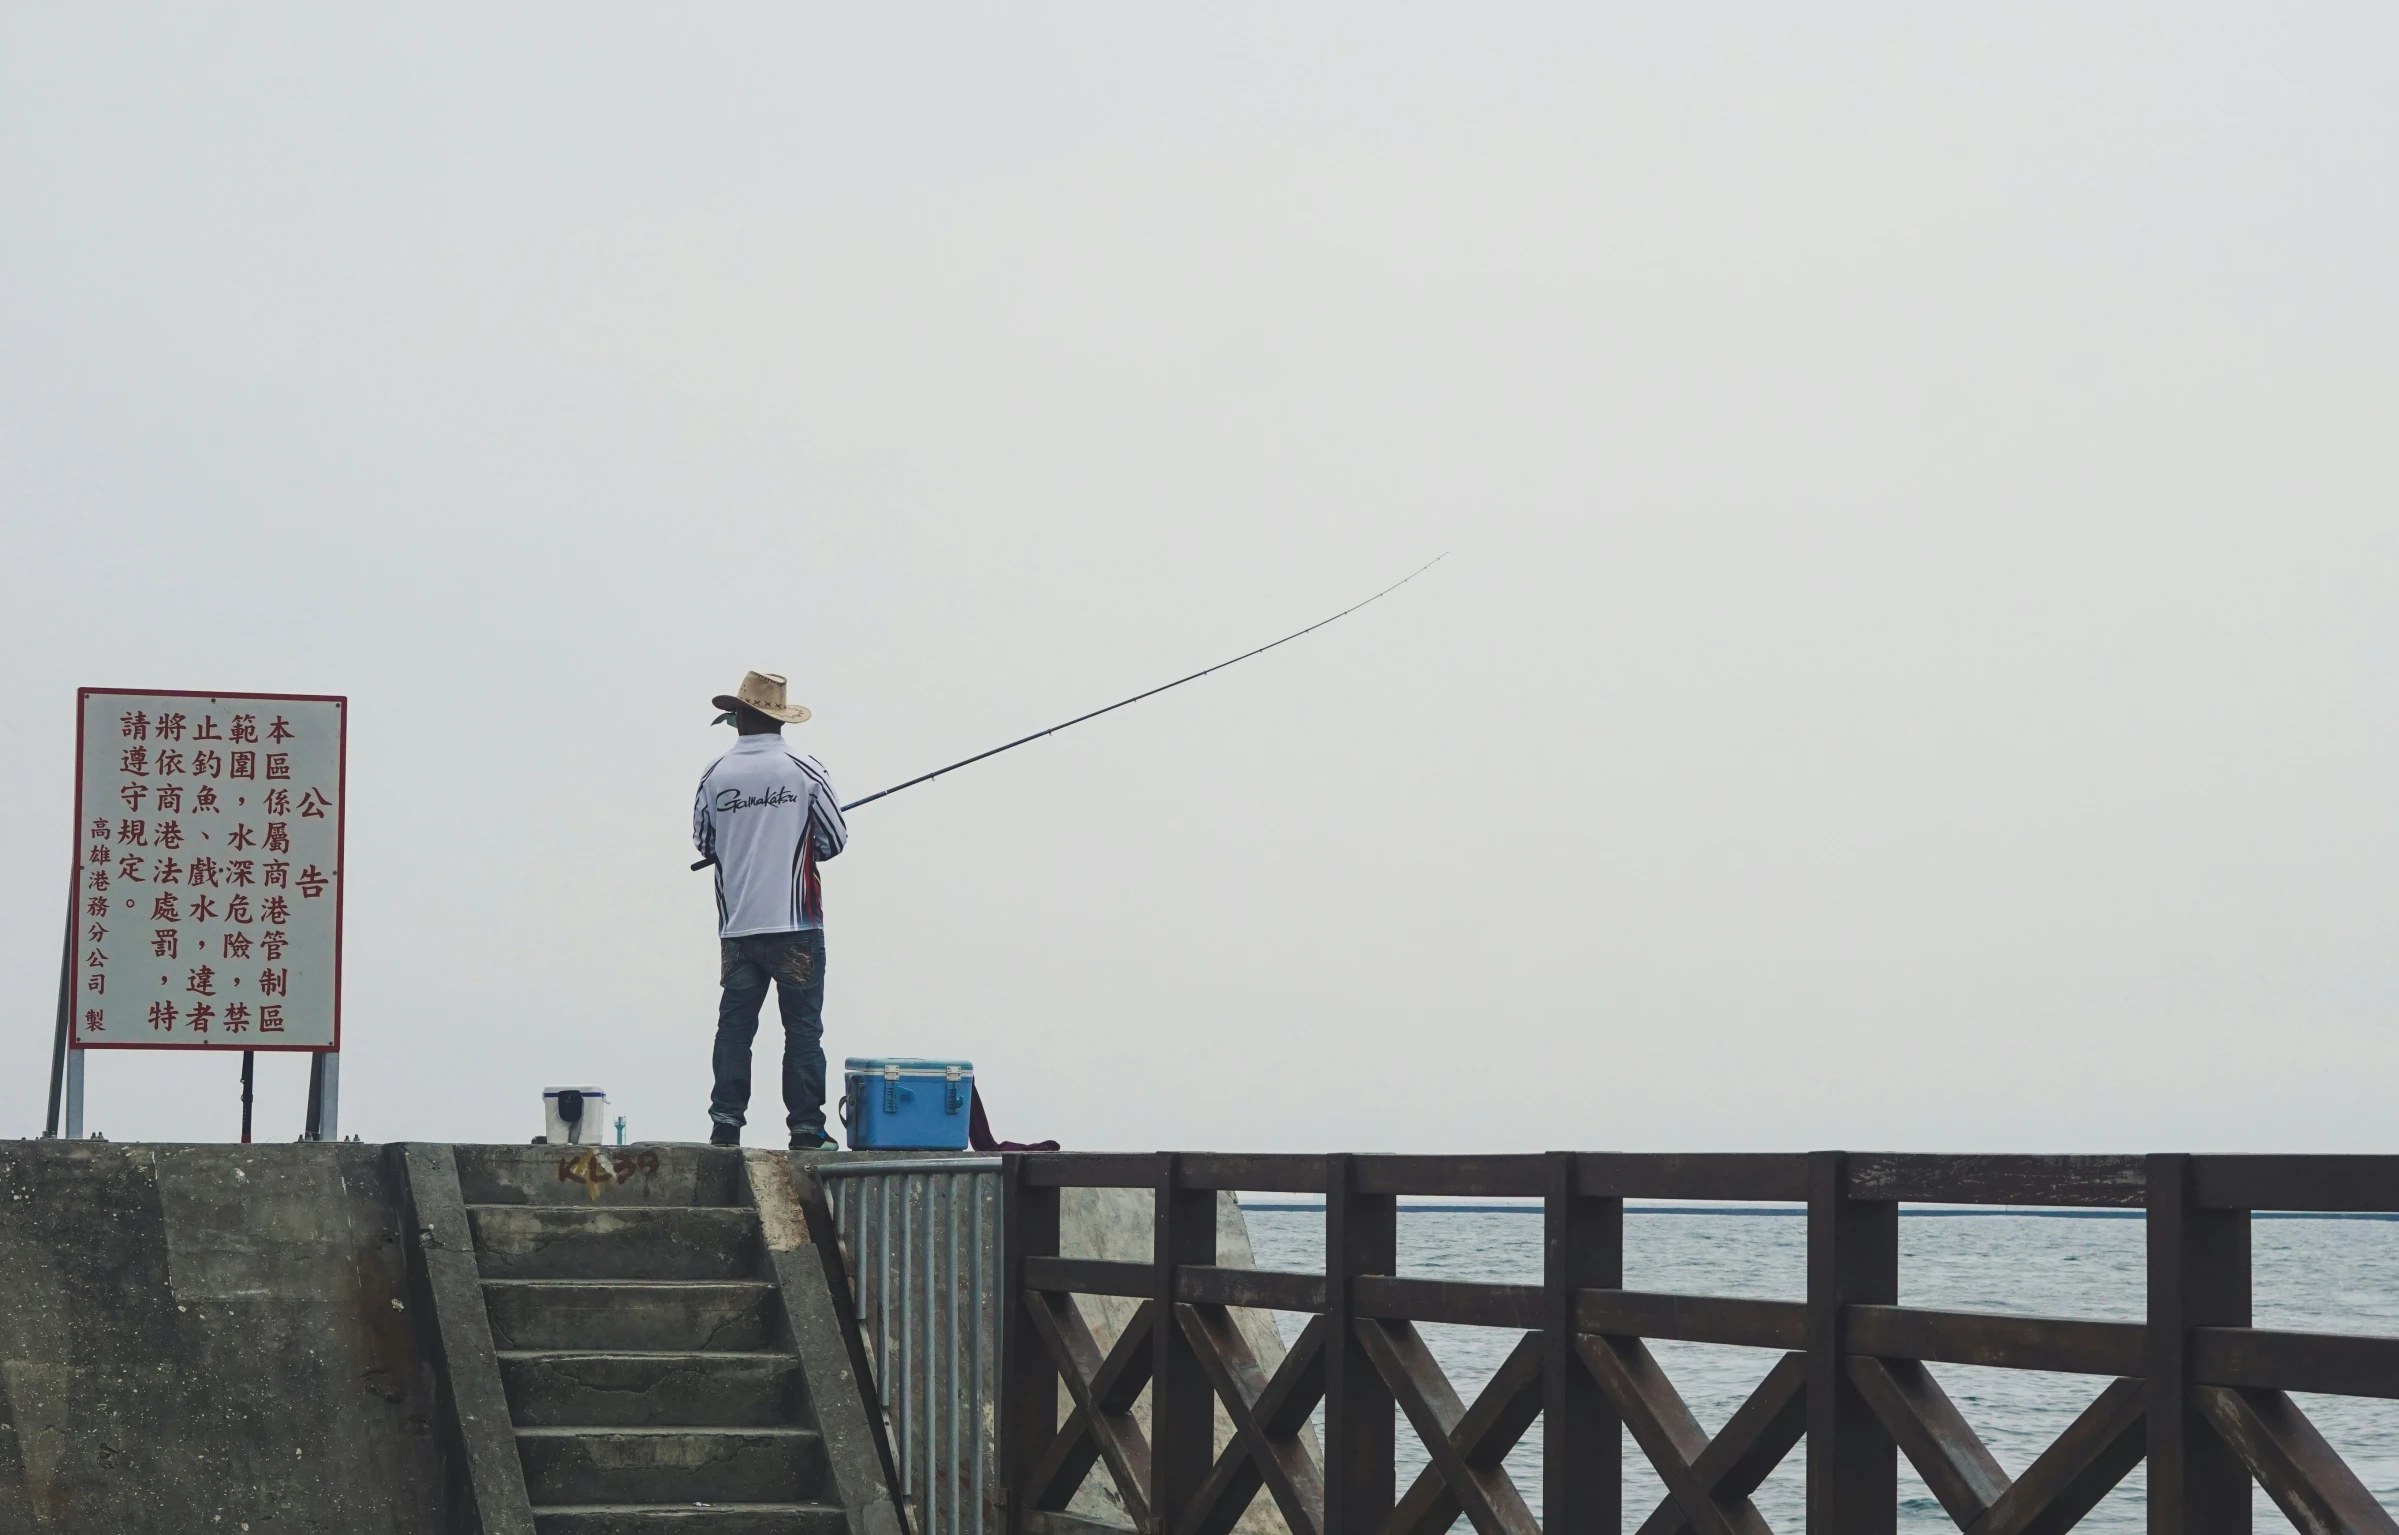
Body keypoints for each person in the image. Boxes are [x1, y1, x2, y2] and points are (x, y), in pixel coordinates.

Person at [692, 671, 848, 1149]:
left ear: (738, 718)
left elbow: (704, 840)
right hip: (796, 923)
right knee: (802, 1030)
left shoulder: (714, 776)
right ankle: (804, 1130)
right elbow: (834, 841)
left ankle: (726, 1125)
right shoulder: (805, 770)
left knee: (734, 1028)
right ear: (779, 719)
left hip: (737, 927)